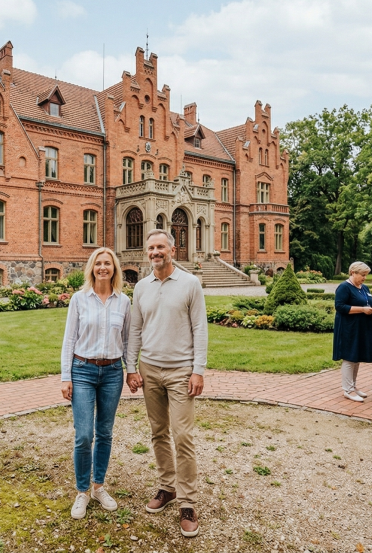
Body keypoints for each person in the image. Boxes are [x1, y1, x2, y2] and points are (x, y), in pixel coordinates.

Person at [125, 229, 208, 538]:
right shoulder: (142, 287)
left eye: (161, 247)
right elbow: (135, 329)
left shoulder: (190, 283)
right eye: (151, 248)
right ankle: (166, 488)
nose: (155, 252)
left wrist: (198, 370)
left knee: (183, 435)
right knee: (159, 433)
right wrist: (130, 367)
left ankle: (188, 503)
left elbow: (200, 328)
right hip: (149, 369)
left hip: (180, 372)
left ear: (172, 250)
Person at [60, 248, 130, 520]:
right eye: (98, 263)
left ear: (114, 269)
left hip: (113, 372)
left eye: (108, 264)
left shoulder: (124, 302)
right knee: (84, 434)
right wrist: (66, 376)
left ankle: (99, 486)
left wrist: (131, 369)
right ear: (92, 268)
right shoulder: (79, 299)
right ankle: (82, 492)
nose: (103, 268)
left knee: (105, 432)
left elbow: (128, 340)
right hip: (83, 371)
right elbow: (69, 339)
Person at [333, 261, 372, 402]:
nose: (364, 278)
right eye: (362, 275)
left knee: (356, 357)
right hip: (348, 327)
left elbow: (368, 303)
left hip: (362, 326)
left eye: (366, 275)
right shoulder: (344, 287)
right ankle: (348, 389)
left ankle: (353, 385)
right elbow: (340, 306)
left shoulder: (364, 288)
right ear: (353, 273)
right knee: (349, 357)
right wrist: (362, 309)